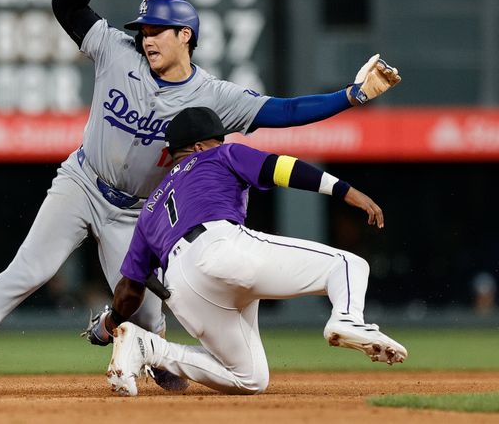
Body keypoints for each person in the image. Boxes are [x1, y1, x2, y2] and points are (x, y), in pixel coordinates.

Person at [0, 0, 402, 389]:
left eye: (156, 32)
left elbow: (286, 111)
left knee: (148, 321)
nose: (145, 39)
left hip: (139, 212)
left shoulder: (213, 95)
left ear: (184, 35)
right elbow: (65, 6)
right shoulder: (114, 49)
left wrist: (351, 96)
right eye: (143, 31)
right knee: (27, 271)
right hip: (83, 181)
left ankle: (159, 359)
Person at [93, 106, 407, 396]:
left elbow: (129, 289)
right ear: (202, 145)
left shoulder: (149, 209)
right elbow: (280, 167)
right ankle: (346, 319)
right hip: (219, 247)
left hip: (183, 291)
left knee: (250, 379)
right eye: (218, 140)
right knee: (347, 265)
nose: (223, 143)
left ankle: (145, 346)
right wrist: (345, 190)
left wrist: (110, 323)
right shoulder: (218, 155)